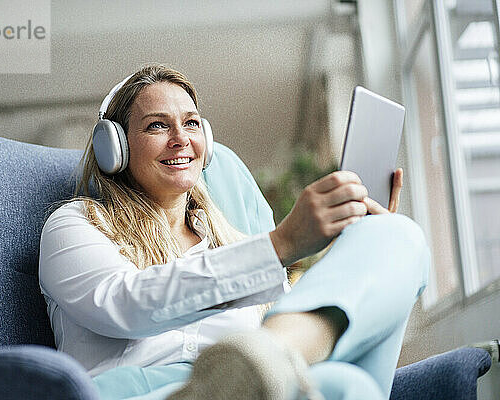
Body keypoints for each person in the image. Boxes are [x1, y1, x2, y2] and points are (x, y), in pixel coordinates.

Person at [38, 64, 430, 400]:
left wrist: (358, 248)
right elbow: (127, 304)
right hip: (145, 394)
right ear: (116, 147)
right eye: (157, 125)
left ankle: (264, 358)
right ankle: (248, 367)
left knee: (397, 237)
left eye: (190, 123)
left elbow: (310, 326)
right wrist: (283, 244)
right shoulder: (77, 224)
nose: (181, 139)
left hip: (261, 384)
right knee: (345, 387)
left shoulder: (233, 243)